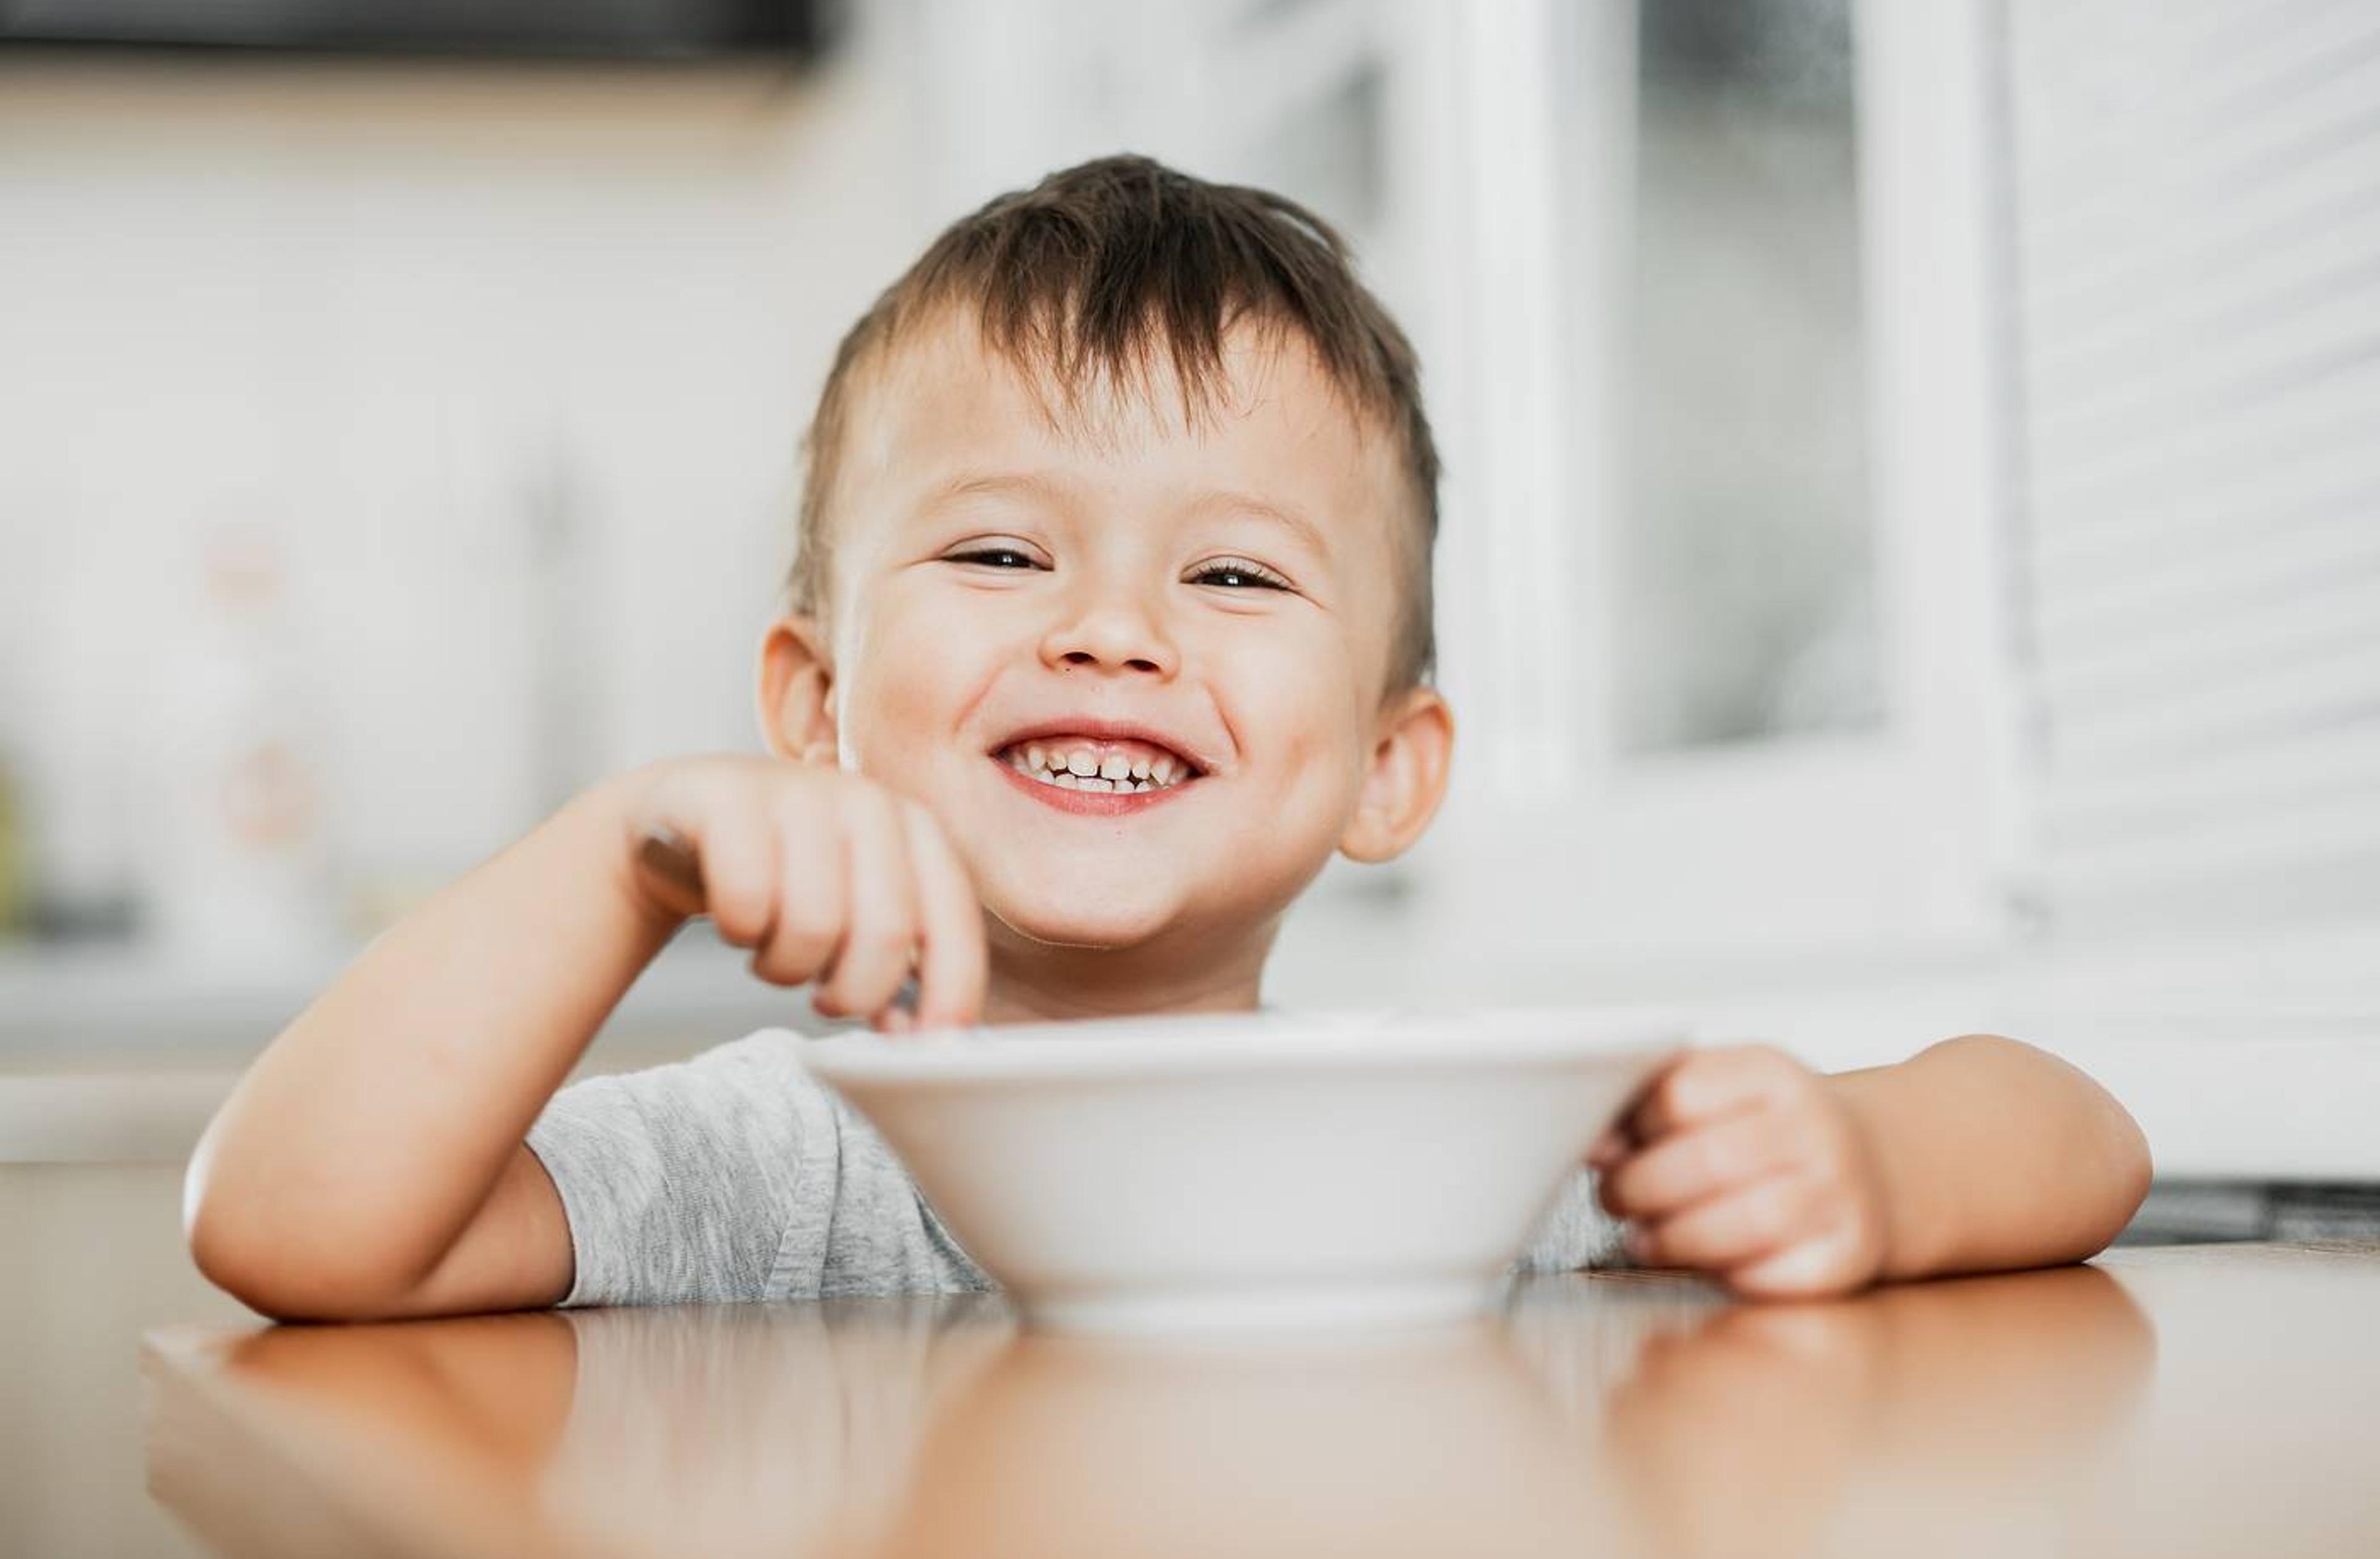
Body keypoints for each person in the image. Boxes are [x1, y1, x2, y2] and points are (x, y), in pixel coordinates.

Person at [183, 156, 2151, 1322]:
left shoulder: (1462, 1153)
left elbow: (2075, 1127)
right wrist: (619, 860)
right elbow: (288, 1226)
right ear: (812, 711)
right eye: (1002, 548)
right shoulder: (777, 1160)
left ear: (1396, 765)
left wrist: (1865, 1171)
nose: (1110, 629)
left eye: (1232, 581)